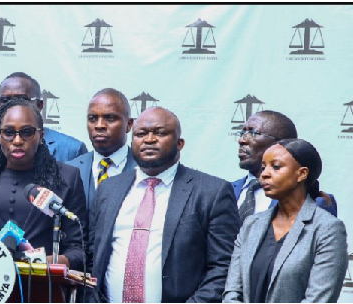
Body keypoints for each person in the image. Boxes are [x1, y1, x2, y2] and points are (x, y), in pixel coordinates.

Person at [90, 106, 240, 303]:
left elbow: (224, 266)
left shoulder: (212, 192)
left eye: (160, 133)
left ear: (180, 143)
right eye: (141, 134)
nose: (149, 139)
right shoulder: (109, 189)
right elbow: (93, 255)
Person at [0, 97, 87, 270]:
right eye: (9, 132)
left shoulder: (66, 177)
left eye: (27, 132)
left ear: (41, 136)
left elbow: (78, 250)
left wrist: (38, 262)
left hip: (43, 287)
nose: (17, 141)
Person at [223, 139, 348, 303]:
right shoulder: (251, 225)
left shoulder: (327, 229)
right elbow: (232, 293)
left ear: (302, 174)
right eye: (263, 168)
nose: (265, 174)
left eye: (276, 167)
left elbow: (319, 299)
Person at [234, 110, 337, 220]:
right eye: (242, 133)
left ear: (283, 144)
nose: (241, 140)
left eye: (252, 133)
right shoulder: (223, 192)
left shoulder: (316, 201)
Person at [0, 72, 88, 162]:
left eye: (21, 100)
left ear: (39, 105)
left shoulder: (73, 150)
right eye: (5, 100)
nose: (13, 106)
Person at [66, 88, 135, 226]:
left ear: (128, 124)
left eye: (110, 118)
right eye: (93, 119)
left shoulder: (144, 170)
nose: (99, 125)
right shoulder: (69, 170)